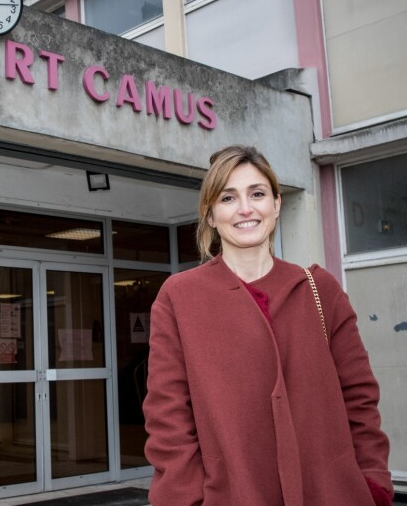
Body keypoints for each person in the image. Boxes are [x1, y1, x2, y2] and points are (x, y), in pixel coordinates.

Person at [143, 145, 393, 505]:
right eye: (228, 197)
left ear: (276, 205)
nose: (246, 208)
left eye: (257, 194)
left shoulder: (321, 291)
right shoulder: (179, 297)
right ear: (210, 215)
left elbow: (360, 398)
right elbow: (168, 417)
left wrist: (372, 484)